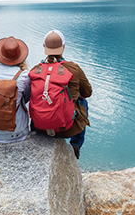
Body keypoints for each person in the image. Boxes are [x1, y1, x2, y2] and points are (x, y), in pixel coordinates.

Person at [32, 30, 92, 159]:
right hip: (66, 129)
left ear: (44, 46)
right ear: (63, 47)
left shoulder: (36, 70)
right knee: (83, 103)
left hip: (39, 128)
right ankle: (75, 145)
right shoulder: (73, 68)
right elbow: (87, 93)